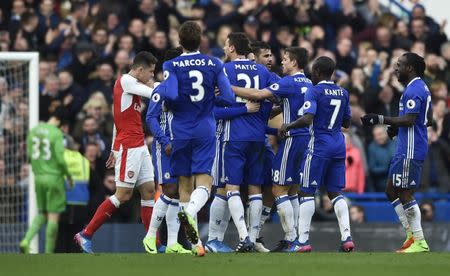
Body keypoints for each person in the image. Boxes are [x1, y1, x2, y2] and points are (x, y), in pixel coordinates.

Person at [158, 21, 235, 256]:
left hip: (180, 129)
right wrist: (212, 97)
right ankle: (191, 214)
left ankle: (194, 244)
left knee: (184, 182)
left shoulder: (170, 64)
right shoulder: (214, 63)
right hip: (205, 128)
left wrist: (174, 100)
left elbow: (169, 94)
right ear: (200, 39)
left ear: (180, 42)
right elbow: (230, 97)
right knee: (204, 182)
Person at [74, 51, 159, 253]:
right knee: (123, 195)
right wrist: (173, 87)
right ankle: (86, 234)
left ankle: (153, 243)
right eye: (151, 72)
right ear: (140, 69)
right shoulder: (127, 81)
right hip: (129, 146)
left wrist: (112, 147)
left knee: (148, 191)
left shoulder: (131, 87)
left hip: (137, 145)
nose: (152, 76)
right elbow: (154, 93)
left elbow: (117, 118)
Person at [232, 47, 313, 252]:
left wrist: (229, 87)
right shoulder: (309, 82)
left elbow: (258, 94)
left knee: (278, 188)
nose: (281, 62)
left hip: (292, 138)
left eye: (285, 59)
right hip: (307, 139)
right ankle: (296, 238)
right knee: (293, 189)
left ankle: (292, 238)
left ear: (294, 62)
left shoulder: (288, 82)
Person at [279, 56, 355, 252]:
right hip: (339, 145)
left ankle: (302, 241)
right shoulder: (343, 92)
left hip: (319, 145)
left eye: (313, 71)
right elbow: (347, 122)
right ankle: (347, 238)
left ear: (318, 72)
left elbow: (308, 118)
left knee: (306, 192)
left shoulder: (314, 90)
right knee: (336, 193)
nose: (311, 74)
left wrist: (289, 125)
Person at [361, 52, 432, 253]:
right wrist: (396, 128)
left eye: (399, 65)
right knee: (391, 190)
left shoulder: (414, 90)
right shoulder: (419, 87)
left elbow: (410, 119)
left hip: (411, 148)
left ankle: (420, 241)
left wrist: (380, 119)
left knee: (405, 192)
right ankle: (411, 235)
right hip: (405, 146)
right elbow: (429, 119)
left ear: (410, 68)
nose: (396, 68)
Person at [219, 32, 278, 252]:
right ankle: (253, 237)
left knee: (231, 187)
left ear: (233, 48)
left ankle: (244, 237)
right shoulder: (263, 70)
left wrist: (234, 93)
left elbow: (217, 98)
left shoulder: (225, 70)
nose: (225, 49)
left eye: (226, 45)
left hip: (234, 134)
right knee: (255, 188)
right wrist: (261, 97)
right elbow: (277, 92)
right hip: (258, 136)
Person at [143, 47, 191, 254]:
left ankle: (172, 243)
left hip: (181, 145)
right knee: (169, 190)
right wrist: (164, 140)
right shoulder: (161, 89)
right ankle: (150, 237)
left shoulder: (185, 89)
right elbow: (150, 118)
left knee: (178, 194)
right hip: (165, 147)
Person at [20, 108, 72, 253]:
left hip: (38, 177)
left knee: (42, 212)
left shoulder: (34, 130)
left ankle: (26, 240)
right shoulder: (56, 133)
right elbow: (61, 160)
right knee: (53, 215)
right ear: (60, 122)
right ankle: (48, 253)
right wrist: (68, 175)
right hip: (54, 177)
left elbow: (30, 154)